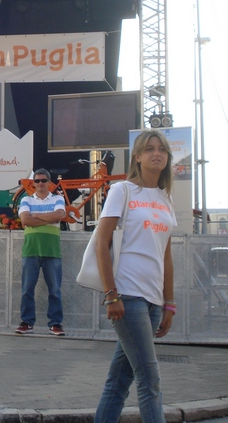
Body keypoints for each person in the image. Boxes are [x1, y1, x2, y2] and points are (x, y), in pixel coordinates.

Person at [94, 130, 177, 423]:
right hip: (128, 296)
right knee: (149, 378)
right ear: (138, 157)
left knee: (119, 380)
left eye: (162, 150)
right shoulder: (123, 191)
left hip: (154, 300)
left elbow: (165, 255)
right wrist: (111, 294)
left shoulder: (166, 199)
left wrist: (169, 303)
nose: (157, 154)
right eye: (149, 149)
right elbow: (101, 243)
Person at [15, 168, 66, 336]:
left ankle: (55, 323)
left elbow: (59, 216)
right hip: (31, 251)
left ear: (49, 182)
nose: (40, 184)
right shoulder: (25, 199)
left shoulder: (58, 198)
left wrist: (36, 215)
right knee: (27, 289)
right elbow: (24, 220)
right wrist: (47, 216)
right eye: (37, 181)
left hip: (52, 251)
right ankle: (27, 322)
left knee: (55, 291)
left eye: (43, 180)